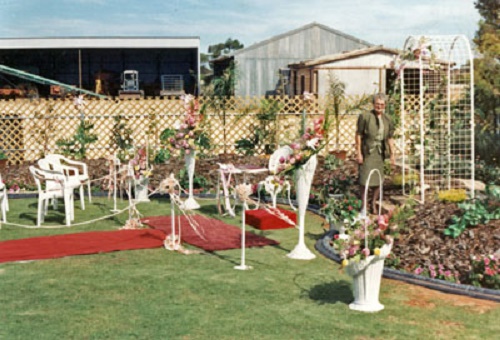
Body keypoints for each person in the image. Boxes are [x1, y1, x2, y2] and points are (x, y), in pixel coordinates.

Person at [355, 93, 395, 215]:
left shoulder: (388, 119)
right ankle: (364, 205)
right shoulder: (365, 116)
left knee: (378, 180)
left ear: (385, 106)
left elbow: (389, 138)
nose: (379, 106)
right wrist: (358, 153)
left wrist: (393, 154)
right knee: (364, 179)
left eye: (382, 104)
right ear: (373, 104)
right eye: (377, 104)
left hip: (380, 153)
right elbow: (358, 135)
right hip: (367, 152)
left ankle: (373, 203)